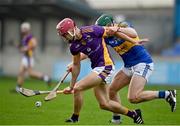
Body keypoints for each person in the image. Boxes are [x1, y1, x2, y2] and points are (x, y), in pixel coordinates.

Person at [56, 18, 148, 124]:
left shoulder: (92, 30)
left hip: (106, 67)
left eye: (65, 35)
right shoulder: (73, 46)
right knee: (104, 104)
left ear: (72, 30)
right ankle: (134, 114)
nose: (64, 38)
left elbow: (113, 31)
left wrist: (134, 41)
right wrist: (71, 86)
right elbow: (76, 65)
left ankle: (75, 117)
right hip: (97, 69)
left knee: (78, 88)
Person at [95, 14, 177, 124]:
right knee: (112, 90)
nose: (102, 31)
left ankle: (167, 94)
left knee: (133, 98)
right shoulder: (106, 36)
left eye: (103, 28)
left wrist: (117, 29)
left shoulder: (123, 25)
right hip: (128, 66)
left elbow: (133, 33)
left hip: (143, 63)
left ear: (110, 25)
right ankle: (117, 119)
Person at [16, 22, 51, 92]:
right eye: (22, 29)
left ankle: (46, 78)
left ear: (27, 29)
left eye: (24, 29)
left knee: (30, 74)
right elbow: (24, 47)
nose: (22, 30)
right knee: (21, 72)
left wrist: (25, 48)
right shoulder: (24, 37)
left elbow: (34, 44)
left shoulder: (30, 37)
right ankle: (18, 88)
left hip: (28, 57)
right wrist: (21, 48)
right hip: (25, 57)